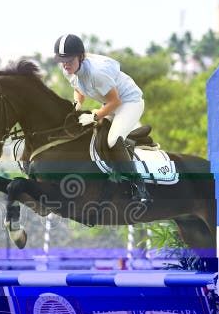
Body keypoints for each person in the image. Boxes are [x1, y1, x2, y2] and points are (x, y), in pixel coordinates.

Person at [53, 33, 150, 203]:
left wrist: (94, 116)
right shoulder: (68, 70)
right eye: (62, 60)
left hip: (129, 102)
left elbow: (115, 101)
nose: (65, 64)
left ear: (81, 57)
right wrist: (77, 105)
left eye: (69, 59)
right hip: (110, 104)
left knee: (112, 140)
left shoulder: (96, 72)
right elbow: (79, 90)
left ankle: (139, 186)